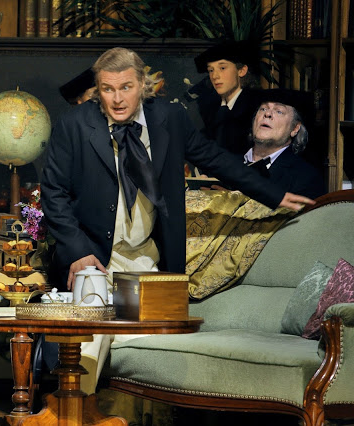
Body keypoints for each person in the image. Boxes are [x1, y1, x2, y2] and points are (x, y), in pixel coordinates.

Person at [40, 47, 313, 394]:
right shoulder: (75, 124)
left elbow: (214, 158)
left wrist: (273, 194)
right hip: (94, 256)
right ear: (99, 89)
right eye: (108, 89)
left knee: (146, 349)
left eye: (126, 87)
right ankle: (73, 412)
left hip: (147, 259)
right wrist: (77, 250)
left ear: (142, 84)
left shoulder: (169, 117)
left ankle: (108, 412)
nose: (117, 99)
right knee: (88, 346)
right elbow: (53, 192)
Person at [244, 88, 326, 199]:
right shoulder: (228, 162)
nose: (267, 113)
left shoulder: (306, 179)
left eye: (279, 111)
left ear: (295, 128)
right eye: (263, 109)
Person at [191, 40, 262, 157]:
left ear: (241, 71)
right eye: (211, 70)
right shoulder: (209, 108)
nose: (215, 76)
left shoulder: (256, 107)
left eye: (222, 68)